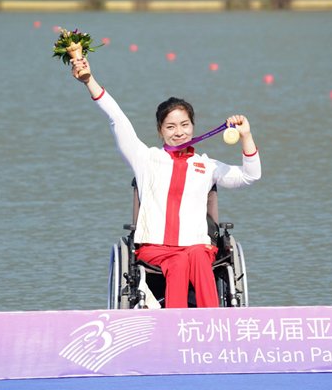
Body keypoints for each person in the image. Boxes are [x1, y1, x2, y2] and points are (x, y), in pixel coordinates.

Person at [71, 57, 261, 308]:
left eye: (184, 124)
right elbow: (117, 117)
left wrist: (246, 136)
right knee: (181, 260)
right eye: (170, 126)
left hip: (197, 248)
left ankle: (214, 323)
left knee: (197, 255)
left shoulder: (207, 165)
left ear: (193, 126)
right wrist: (89, 81)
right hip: (155, 249)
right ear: (160, 130)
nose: (178, 132)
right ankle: (176, 324)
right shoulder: (145, 158)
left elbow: (251, 175)